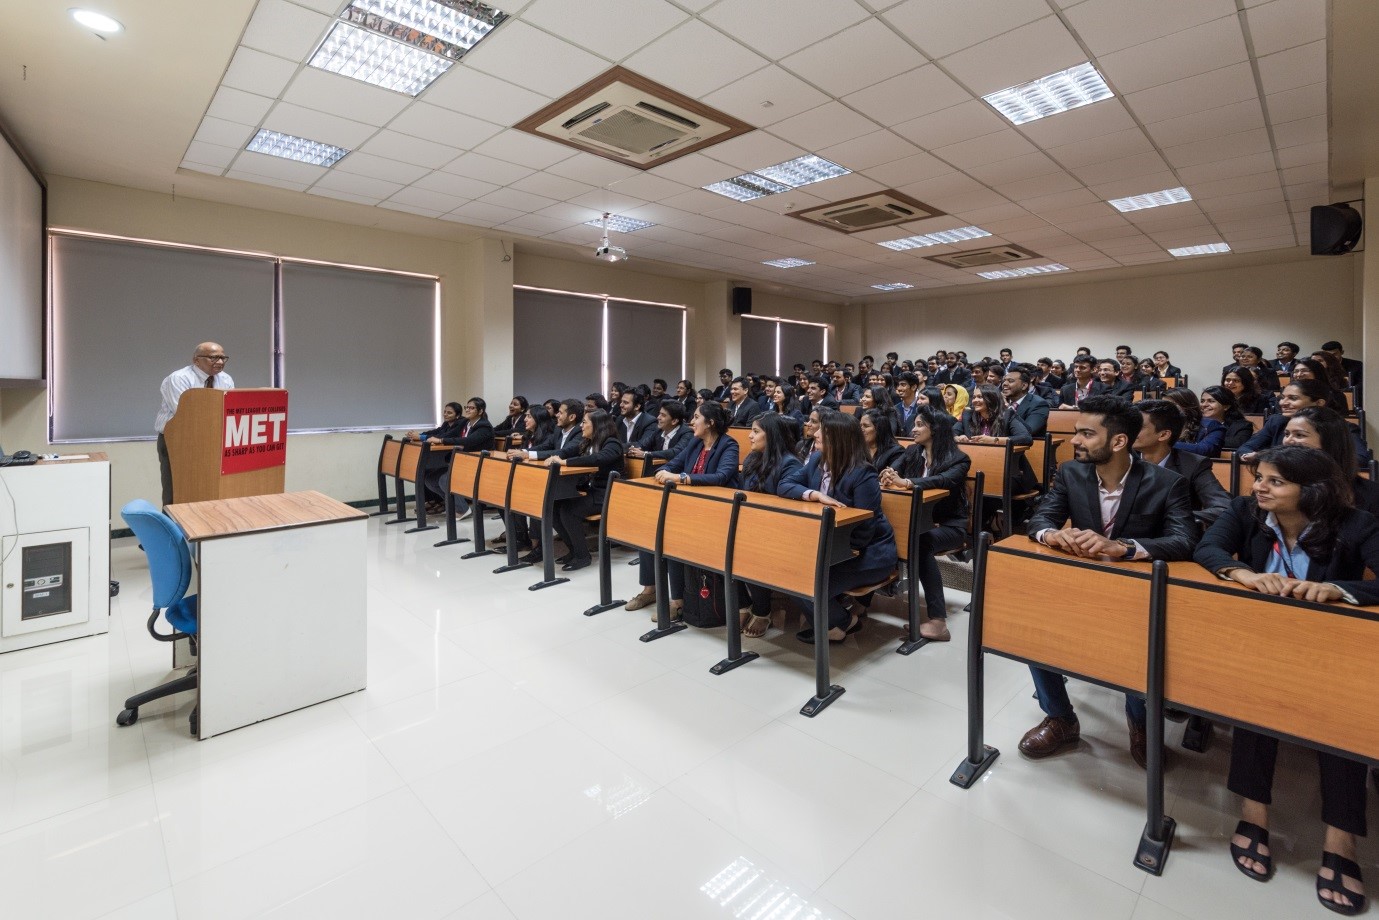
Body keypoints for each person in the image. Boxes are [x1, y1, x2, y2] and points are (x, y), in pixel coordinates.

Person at [1195, 446, 1379, 914]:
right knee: (1256, 709)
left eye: (1275, 481)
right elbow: (1208, 547)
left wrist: (1340, 589)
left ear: (1312, 491)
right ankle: (1253, 816)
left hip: (1330, 652)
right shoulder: (1246, 512)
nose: (1259, 486)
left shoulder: (1354, 523)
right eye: (1259, 477)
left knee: (1340, 725)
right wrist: (1242, 573)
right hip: (1260, 645)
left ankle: (1341, 845)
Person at [1019, 395, 1197, 768]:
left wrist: (1123, 547)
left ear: (1118, 442)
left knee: (1142, 643)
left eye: (1086, 433)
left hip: (1136, 592)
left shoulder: (1168, 483)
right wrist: (1051, 535)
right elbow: (1040, 519)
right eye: (1076, 432)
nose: (1074, 441)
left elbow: (1184, 540)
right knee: (1033, 628)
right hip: (1081, 586)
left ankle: (1140, 723)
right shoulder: (1071, 473)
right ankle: (1061, 718)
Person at [779, 412, 897, 643]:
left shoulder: (862, 473)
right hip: (829, 548)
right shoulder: (816, 461)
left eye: (823, 430)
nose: (816, 433)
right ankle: (843, 621)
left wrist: (825, 554)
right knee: (786, 573)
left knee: (808, 582)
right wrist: (814, 495)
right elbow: (785, 484)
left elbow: (864, 530)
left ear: (839, 437)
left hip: (869, 554)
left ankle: (836, 624)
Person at [624, 403, 740, 616]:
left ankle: (677, 602)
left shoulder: (728, 444)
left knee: (672, 540)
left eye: (696, 417)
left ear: (710, 423)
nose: (692, 422)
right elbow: (673, 464)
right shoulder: (696, 443)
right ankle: (649, 590)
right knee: (650, 533)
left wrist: (682, 477)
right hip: (688, 507)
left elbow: (722, 476)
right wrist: (664, 471)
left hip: (717, 511)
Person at [879, 405, 972, 640]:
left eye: (920, 425)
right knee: (884, 532)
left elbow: (943, 481)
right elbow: (894, 471)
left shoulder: (959, 459)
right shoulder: (912, 451)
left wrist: (907, 482)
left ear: (936, 429)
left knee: (919, 543)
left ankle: (939, 622)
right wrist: (888, 474)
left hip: (950, 525)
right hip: (918, 521)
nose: (913, 429)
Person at [736, 413, 804, 637]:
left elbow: (787, 504)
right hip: (752, 522)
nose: (749, 436)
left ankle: (763, 611)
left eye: (756, 432)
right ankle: (744, 604)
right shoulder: (753, 458)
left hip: (779, 528)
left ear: (772, 435)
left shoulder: (790, 463)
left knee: (748, 549)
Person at [156, 341, 234, 506]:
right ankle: (172, 530)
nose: (219, 362)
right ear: (196, 360)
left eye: (222, 358)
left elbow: (229, 411)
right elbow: (186, 415)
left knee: (205, 490)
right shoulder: (179, 379)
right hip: (178, 440)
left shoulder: (225, 379)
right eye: (213, 358)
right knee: (176, 491)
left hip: (210, 441)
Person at [1133, 399, 1231, 530]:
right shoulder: (1120, 459)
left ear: (1163, 435)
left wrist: (1172, 517)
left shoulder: (1193, 464)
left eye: (1138, 426)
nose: (1129, 430)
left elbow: (1223, 507)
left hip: (1172, 539)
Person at [545, 409, 624, 571]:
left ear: (597, 425)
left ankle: (582, 556)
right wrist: (549, 457)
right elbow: (566, 452)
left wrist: (565, 462)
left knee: (569, 510)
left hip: (608, 494)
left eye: (585, 422)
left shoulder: (612, 443)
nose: (581, 426)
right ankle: (573, 550)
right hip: (592, 490)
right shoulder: (587, 442)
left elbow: (598, 459)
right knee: (554, 506)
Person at [1238, 380, 1369, 463]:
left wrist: (1273, 455)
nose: (1283, 403)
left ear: (1319, 403)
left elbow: (1360, 459)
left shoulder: (1344, 427)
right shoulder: (1277, 422)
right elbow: (1245, 448)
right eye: (1282, 398)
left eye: (1293, 398)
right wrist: (1248, 456)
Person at [1285, 407, 1379, 516]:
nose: (1287, 441)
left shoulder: (1371, 494)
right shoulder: (1279, 484)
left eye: (1299, 435)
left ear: (1329, 442)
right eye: (1287, 434)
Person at [423, 397, 494, 518]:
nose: (468, 410)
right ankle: (452, 505)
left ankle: (462, 509)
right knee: (430, 479)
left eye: (471, 408)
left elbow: (468, 441)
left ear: (480, 411)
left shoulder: (484, 426)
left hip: (478, 464)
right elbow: (450, 433)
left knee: (445, 479)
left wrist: (441, 440)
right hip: (462, 462)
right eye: (467, 407)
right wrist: (424, 437)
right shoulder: (466, 423)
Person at [404, 401, 464, 512]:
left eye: (449, 413)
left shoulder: (461, 423)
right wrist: (419, 435)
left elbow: (445, 436)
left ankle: (442, 502)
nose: (445, 414)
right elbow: (436, 431)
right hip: (443, 453)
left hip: (453, 455)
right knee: (425, 470)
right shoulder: (447, 423)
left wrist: (422, 437)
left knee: (431, 470)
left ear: (458, 415)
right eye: (445, 412)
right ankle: (435, 501)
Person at [1200, 385, 1255, 451]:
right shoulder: (1195, 423)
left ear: (1226, 406)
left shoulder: (1242, 426)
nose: (1204, 405)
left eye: (1211, 401)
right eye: (1202, 401)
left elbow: (1238, 443)